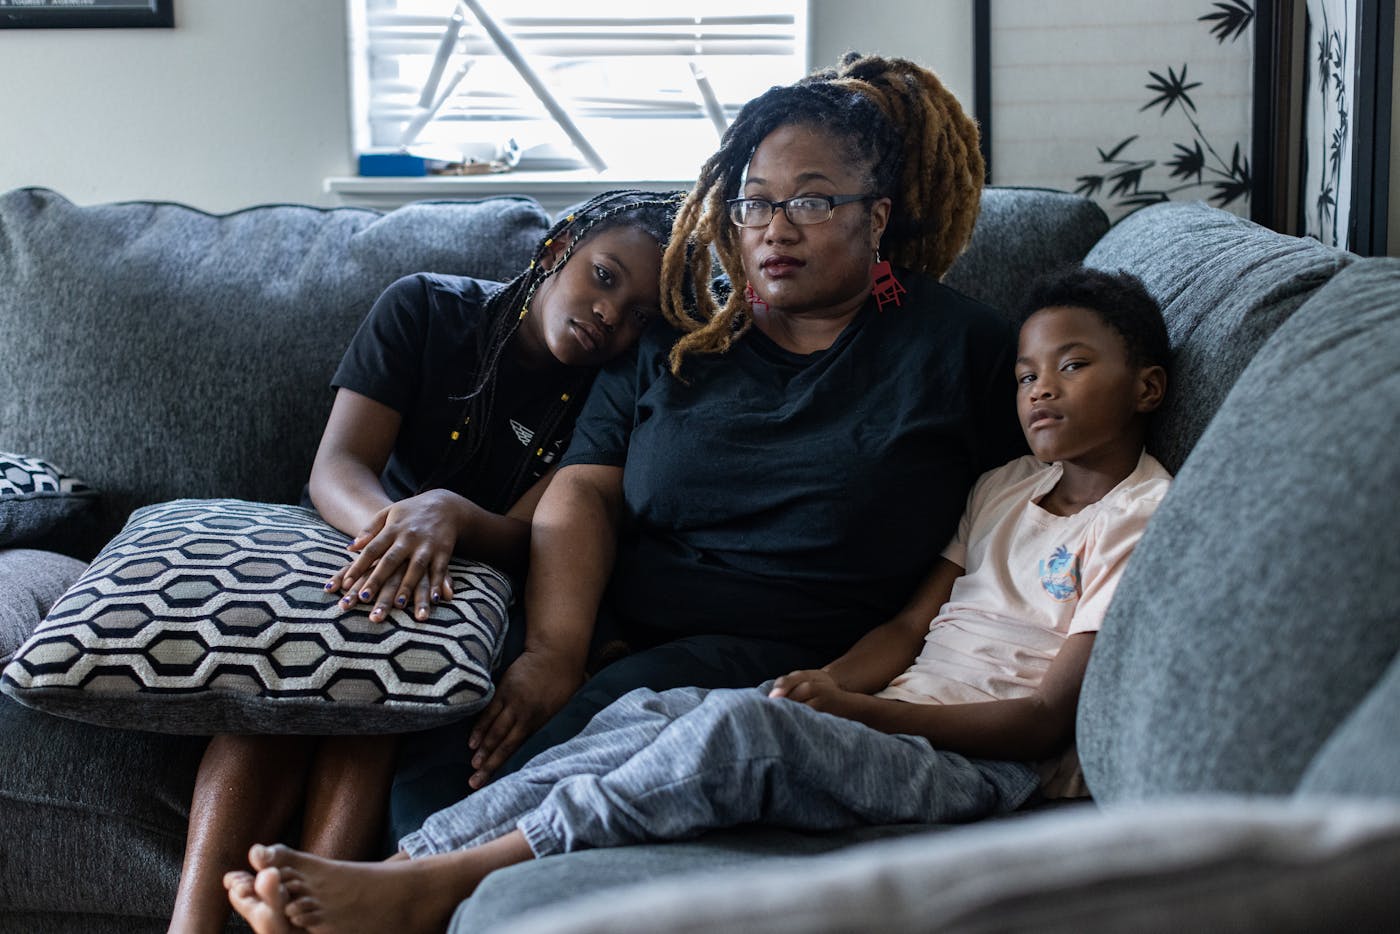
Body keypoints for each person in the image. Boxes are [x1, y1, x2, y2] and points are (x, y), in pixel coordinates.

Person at [223, 263, 1174, 934]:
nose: (1039, 390)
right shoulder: (1004, 487)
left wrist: (856, 711)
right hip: (887, 718)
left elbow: (1051, 718)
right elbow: (905, 625)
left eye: (1073, 367)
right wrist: (824, 684)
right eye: (1025, 374)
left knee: (734, 734)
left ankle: (441, 888)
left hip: (976, 773)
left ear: (1148, 387)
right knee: (654, 710)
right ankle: (400, 869)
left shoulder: (1142, 514)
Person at [453, 53, 1029, 804]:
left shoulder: (962, 349)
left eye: (812, 203)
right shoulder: (684, 330)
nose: (775, 230)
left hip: (795, 662)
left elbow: (1018, 520)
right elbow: (585, 491)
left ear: (876, 216)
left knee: (492, 795)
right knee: (433, 750)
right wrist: (554, 652)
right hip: (601, 627)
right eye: (755, 203)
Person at [166, 190, 682, 934]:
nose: (612, 316)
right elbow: (336, 469)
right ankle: (192, 923)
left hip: (482, 578)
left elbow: (532, 537)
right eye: (604, 277)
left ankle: (312, 911)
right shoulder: (425, 309)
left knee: (393, 674)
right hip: (356, 536)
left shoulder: (609, 390)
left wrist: (449, 517)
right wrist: (399, 532)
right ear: (557, 248)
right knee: (284, 684)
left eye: (639, 315)